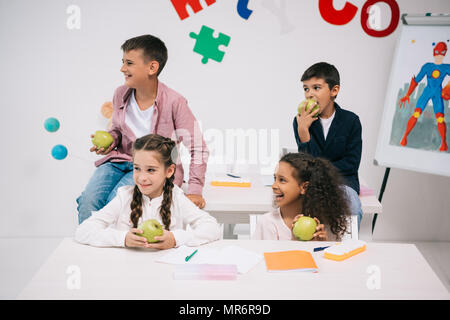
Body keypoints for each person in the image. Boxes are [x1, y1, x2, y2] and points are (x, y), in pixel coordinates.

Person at [77, 34, 209, 224]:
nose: (123, 69)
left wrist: (195, 190)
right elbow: (117, 130)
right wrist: (111, 140)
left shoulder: (174, 101)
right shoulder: (120, 94)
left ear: (152, 67)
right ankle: (90, 247)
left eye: (129, 63)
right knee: (88, 202)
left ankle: (114, 248)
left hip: (150, 168)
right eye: (123, 62)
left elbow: (199, 148)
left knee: (116, 204)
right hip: (119, 162)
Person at [75, 134, 221, 249]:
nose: (142, 178)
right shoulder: (125, 197)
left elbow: (212, 227)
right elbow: (83, 231)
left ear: (169, 171)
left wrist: (175, 239)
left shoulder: (176, 198)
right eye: (137, 168)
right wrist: (123, 238)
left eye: (151, 170)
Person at [292, 62, 363, 229]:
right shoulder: (301, 121)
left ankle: (347, 247)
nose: (309, 94)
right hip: (312, 183)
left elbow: (350, 164)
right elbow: (306, 164)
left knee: (352, 206)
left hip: (343, 181)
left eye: (316, 88)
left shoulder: (351, 121)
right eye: (306, 88)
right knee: (301, 208)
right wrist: (304, 133)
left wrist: (320, 169)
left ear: (334, 90)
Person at [252, 152, 351, 241]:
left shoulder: (325, 224)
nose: (274, 186)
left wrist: (322, 245)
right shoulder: (267, 223)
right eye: (275, 178)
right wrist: (295, 242)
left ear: (304, 187)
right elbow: (266, 259)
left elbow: (331, 259)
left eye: (282, 180)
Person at [398, 41, 449, 152]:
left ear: (444, 54)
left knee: (440, 118)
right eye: (437, 53)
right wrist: (407, 94)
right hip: (427, 91)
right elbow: (416, 80)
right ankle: (404, 137)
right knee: (416, 113)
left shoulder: (446, 67)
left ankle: (443, 143)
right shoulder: (427, 66)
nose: (439, 56)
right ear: (434, 53)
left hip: (437, 94)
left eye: (442, 53)